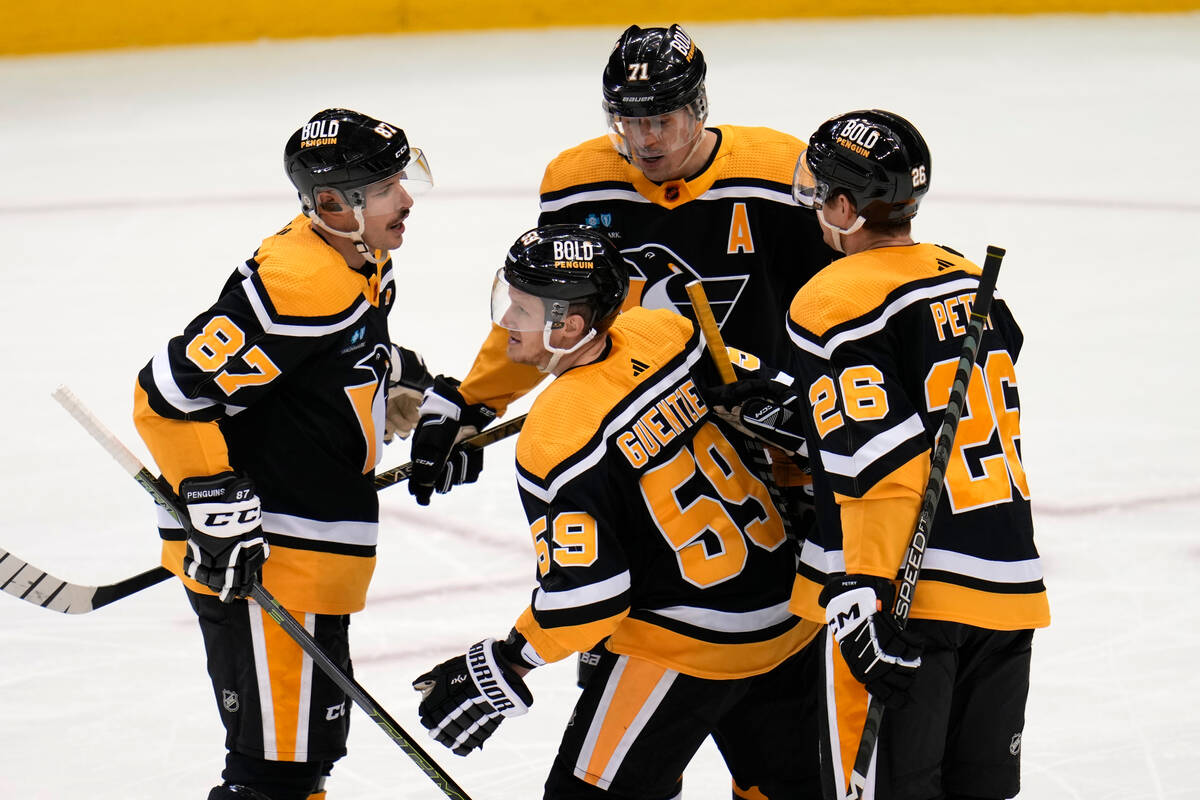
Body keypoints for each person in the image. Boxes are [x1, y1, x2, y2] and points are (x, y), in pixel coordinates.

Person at [411, 224, 822, 800]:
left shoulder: (557, 433)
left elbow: (590, 596)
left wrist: (510, 660)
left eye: (521, 308)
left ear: (571, 326)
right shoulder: (667, 332)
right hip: (787, 618)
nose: (506, 321)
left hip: (684, 638)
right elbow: (776, 405)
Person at [132, 108, 474, 800]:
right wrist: (210, 493)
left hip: (312, 552)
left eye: (402, 180)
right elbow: (167, 396)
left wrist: (400, 386)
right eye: (385, 189)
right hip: (268, 559)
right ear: (330, 204)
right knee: (272, 778)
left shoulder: (360, 260)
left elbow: (329, 358)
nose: (406, 199)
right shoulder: (298, 282)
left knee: (301, 763)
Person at [406, 22, 835, 508]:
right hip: (640, 433)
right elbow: (551, 309)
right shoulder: (580, 183)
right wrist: (472, 402)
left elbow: (837, 305)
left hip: (768, 424)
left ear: (698, 110)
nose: (644, 139)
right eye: (628, 122)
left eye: (660, 120)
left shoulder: (777, 173)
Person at [776, 109, 1051, 799]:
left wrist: (863, 592)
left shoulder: (833, 296)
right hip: (1006, 582)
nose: (812, 204)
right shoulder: (963, 278)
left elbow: (883, 464)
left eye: (821, 190)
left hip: (903, 598)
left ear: (846, 206)